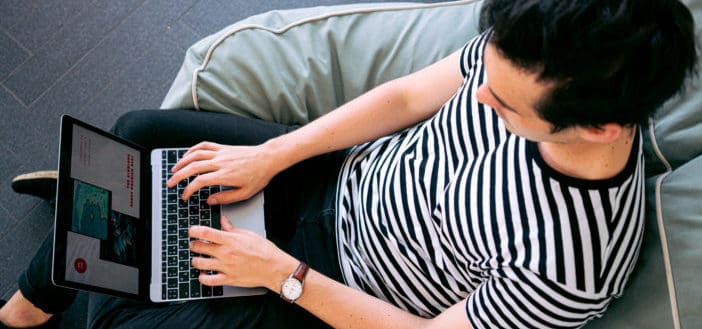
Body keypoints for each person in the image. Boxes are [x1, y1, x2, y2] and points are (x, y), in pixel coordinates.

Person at [1, 0, 697, 328]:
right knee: (138, 136)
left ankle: (85, 237)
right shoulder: (533, 52)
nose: (479, 98)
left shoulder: (567, 268)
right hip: (335, 175)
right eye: (483, 73)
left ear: (603, 125)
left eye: (506, 104)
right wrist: (274, 152)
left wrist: (281, 274)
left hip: (332, 285)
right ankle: (35, 302)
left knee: (123, 317)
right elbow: (401, 95)